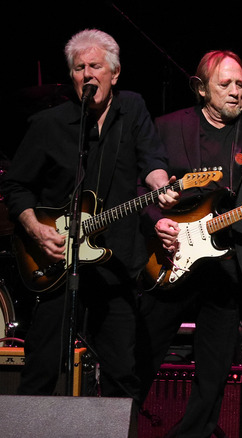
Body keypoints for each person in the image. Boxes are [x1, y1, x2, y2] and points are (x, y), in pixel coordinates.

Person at [1, 29, 176, 400]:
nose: (87, 74)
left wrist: (163, 187)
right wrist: (35, 229)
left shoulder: (133, 109)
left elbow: (152, 160)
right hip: (57, 260)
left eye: (96, 65)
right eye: (79, 67)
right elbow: (15, 186)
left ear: (114, 72)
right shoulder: (48, 125)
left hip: (116, 261)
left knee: (120, 371)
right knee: (42, 367)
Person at [135, 50, 242, 438]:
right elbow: (141, 189)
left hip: (229, 264)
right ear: (201, 88)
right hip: (172, 258)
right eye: (225, 84)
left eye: (241, 84)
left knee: (215, 372)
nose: (236, 91)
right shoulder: (167, 126)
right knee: (141, 358)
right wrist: (159, 223)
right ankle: (117, 427)